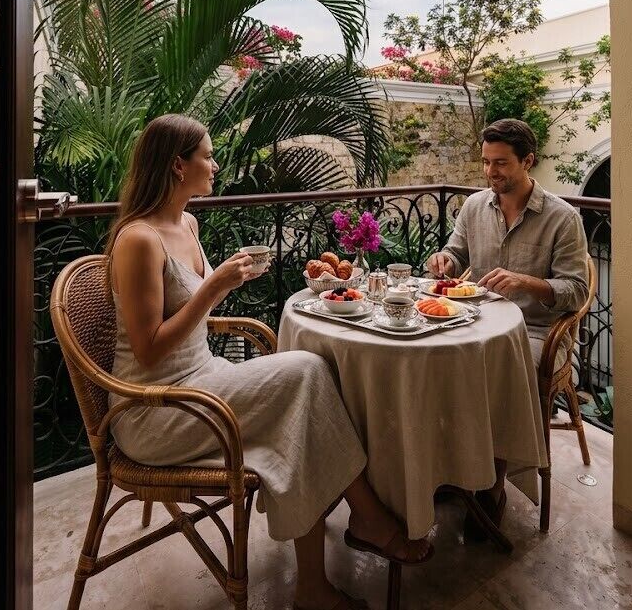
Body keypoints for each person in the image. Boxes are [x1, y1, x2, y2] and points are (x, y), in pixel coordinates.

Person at [107, 114, 431, 610]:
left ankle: (317, 581)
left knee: (303, 395)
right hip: (156, 409)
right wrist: (215, 287)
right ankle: (365, 525)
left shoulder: (188, 223)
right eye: (208, 156)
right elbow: (148, 349)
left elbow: (193, 312)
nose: (215, 165)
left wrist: (227, 282)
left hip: (203, 380)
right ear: (177, 165)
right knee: (305, 373)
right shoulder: (138, 240)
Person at [427, 117, 588, 536]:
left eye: (500, 163)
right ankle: (451, 468)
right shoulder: (474, 207)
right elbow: (455, 253)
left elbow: (575, 289)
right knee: (431, 362)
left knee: (492, 375)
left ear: (527, 161)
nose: (490, 172)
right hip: (478, 320)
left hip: (537, 332)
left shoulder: (563, 218)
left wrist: (525, 283)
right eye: (485, 162)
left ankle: (492, 487)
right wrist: (445, 261)